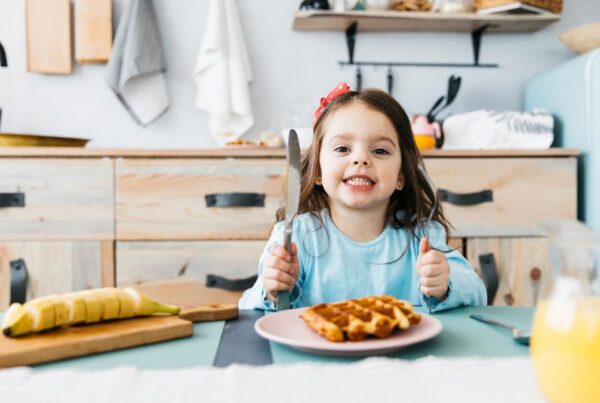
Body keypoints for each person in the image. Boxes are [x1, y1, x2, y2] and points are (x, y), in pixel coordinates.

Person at [239, 83, 486, 311]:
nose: (360, 159)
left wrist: (445, 285)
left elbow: (478, 294)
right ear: (317, 171)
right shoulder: (295, 238)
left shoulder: (422, 237)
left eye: (380, 150)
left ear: (401, 175)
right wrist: (271, 291)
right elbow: (246, 308)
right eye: (342, 149)